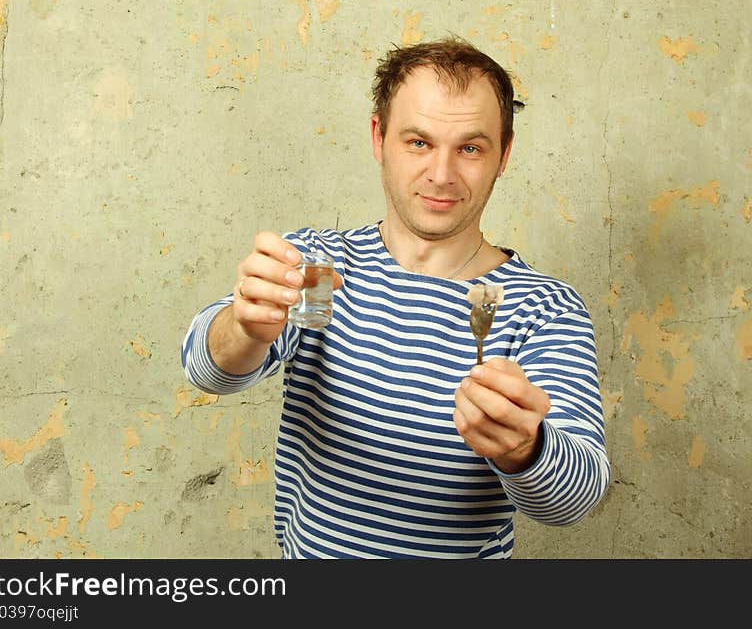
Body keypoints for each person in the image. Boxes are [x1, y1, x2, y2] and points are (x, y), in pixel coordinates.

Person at [181, 37, 610, 558]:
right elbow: (209, 371)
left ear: (504, 155)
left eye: (470, 148)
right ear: (378, 137)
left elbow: (575, 502)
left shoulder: (542, 309)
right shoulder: (321, 268)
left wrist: (528, 448)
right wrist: (245, 328)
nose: (442, 174)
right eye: (418, 142)